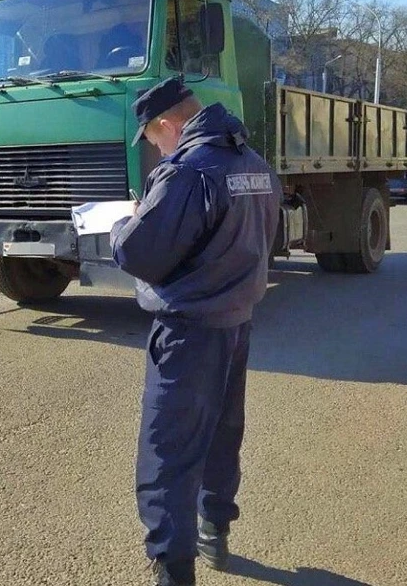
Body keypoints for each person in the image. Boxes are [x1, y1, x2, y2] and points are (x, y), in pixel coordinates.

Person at [110, 77, 281, 586]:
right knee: (223, 435)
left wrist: (127, 221)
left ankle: (173, 568)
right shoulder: (254, 165)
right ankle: (215, 535)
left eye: (154, 137)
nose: (157, 148)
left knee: (169, 450)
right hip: (237, 323)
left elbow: (140, 253)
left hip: (187, 334)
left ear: (167, 123)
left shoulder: (185, 173)